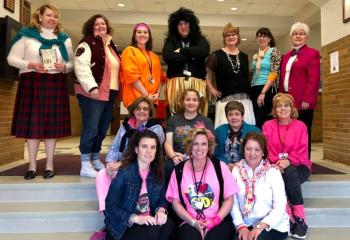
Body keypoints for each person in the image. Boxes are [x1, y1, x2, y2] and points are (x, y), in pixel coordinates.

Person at [7, 3, 74, 180]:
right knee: (33, 126)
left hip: (55, 83)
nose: (52, 19)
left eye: (55, 16)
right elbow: (11, 59)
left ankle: (49, 164)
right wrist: (30, 64)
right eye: (49, 15)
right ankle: (32, 165)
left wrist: (64, 67)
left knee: (51, 125)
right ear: (40, 17)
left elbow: (71, 64)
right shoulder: (26, 36)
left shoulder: (64, 39)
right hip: (32, 82)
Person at [166, 128, 239, 240]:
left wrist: (215, 221)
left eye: (204, 144)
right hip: (189, 221)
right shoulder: (179, 170)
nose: (200, 148)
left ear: (209, 147)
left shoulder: (220, 167)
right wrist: (193, 222)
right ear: (189, 146)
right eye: (195, 144)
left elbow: (229, 199)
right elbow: (175, 203)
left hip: (218, 220)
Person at [96, 97, 165, 213]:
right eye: (138, 108)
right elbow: (115, 146)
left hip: (144, 168)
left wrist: (121, 163)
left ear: (150, 112)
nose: (142, 111)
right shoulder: (125, 126)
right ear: (133, 110)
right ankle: (106, 210)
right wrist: (110, 163)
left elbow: (144, 155)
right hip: (123, 166)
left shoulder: (156, 128)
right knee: (102, 174)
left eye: (145, 109)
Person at [74, 14, 121, 178]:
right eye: (97, 24)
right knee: (91, 127)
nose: (101, 26)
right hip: (92, 92)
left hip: (110, 93)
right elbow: (81, 67)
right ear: (90, 27)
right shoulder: (87, 43)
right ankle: (85, 163)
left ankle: (94, 158)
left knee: (102, 128)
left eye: (103, 24)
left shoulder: (109, 44)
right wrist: (91, 87)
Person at [104, 130, 174, 240]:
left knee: (168, 225)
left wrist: (161, 210)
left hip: (147, 220)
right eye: (144, 146)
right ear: (136, 149)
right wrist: (135, 218)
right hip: (124, 225)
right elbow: (110, 207)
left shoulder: (157, 172)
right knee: (152, 232)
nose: (149, 151)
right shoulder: (125, 173)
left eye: (153, 147)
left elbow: (162, 199)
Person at [262, 93, 311, 239]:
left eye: (286, 105)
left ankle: (299, 216)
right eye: (279, 106)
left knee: (289, 172)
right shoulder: (267, 126)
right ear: (274, 109)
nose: (283, 109)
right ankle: (288, 214)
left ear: (292, 108)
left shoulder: (300, 126)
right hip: (274, 166)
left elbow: (303, 150)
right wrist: (276, 163)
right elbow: (266, 149)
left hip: (299, 166)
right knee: (280, 174)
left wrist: (288, 160)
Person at [231, 132, 289, 240]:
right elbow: (233, 203)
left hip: (272, 225)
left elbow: (280, 206)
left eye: (257, 149)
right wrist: (240, 225)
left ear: (263, 152)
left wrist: (260, 226)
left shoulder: (273, 172)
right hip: (245, 224)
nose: (252, 153)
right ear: (243, 151)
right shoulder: (236, 170)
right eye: (248, 149)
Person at [278, 22, 320, 158]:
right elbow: (282, 78)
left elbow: (314, 79)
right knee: (288, 133)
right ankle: (289, 160)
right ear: (291, 37)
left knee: (303, 132)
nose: (298, 36)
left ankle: (304, 162)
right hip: (287, 103)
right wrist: (279, 98)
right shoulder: (286, 56)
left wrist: (308, 99)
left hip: (303, 103)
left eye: (301, 33)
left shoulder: (312, 53)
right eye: (295, 34)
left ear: (306, 37)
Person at [162, 7, 210, 116]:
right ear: (175, 26)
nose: (183, 27)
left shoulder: (200, 40)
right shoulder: (171, 41)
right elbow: (168, 56)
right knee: (175, 114)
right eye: (180, 24)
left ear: (191, 24)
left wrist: (181, 51)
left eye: (186, 23)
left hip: (197, 82)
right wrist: (192, 56)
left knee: (198, 114)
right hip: (176, 83)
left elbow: (204, 51)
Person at [206, 23, 255, 128]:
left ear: (238, 36)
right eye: (228, 35)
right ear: (224, 38)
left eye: (233, 34)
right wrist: (211, 89)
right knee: (225, 130)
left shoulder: (244, 56)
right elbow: (205, 72)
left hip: (245, 100)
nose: (231, 37)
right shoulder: (216, 55)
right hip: (225, 100)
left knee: (246, 132)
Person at [164, 89, 214, 175]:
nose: (191, 102)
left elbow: (211, 145)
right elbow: (168, 143)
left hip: (199, 157)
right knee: (168, 166)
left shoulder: (206, 121)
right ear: (183, 102)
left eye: (194, 100)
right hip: (177, 158)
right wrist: (173, 156)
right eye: (187, 99)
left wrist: (190, 157)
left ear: (199, 102)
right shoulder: (173, 119)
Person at [121, 23, 165, 109]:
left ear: (149, 35)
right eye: (139, 32)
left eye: (145, 32)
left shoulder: (155, 56)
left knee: (150, 123)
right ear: (134, 35)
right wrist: (146, 95)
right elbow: (131, 76)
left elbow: (161, 77)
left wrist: (157, 94)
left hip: (152, 100)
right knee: (136, 123)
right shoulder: (129, 51)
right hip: (136, 99)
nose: (142, 34)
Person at [214, 101, 260, 171]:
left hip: (248, 168)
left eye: (237, 114)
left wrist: (241, 164)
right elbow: (215, 153)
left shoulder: (254, 130)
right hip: (225, 168)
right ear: (226, 117)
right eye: (230, 114)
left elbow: (259, 152)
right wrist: (227, 164)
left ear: (242, 116)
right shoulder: (219, 131)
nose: (234, 117)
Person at [251, 28, 281, 129]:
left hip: (266, 89)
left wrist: (263, 92)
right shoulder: (256, 54)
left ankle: (266, 143)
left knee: (263, 119)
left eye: (264, 36)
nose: (261, 38)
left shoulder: (274, 51)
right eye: (259, 36)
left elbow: (274, 72)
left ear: (269, 39)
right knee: (255, 118)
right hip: (255, 88)